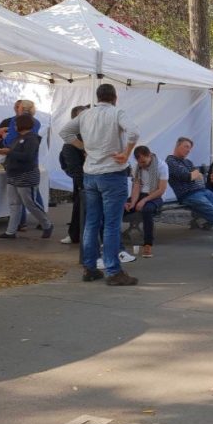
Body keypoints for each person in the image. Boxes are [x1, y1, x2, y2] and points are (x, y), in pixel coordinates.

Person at [59, 84, 139, 286]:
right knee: (111, 224)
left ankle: (90, 267)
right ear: (115, 97)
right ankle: (113, 270)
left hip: (90, 173)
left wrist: (84, 146)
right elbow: (134, 132)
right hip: (112, 173)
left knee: (91, 222)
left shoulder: (86, 114)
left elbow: (65, 133)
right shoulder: (116, 112)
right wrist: (127, 153)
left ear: (98, 96)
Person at [166, 137, 213, 260]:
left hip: (203, 191)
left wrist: (193, 175)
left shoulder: (188, 162)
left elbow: (198, 176)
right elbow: (186, 176)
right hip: (189, 195)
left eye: (189, 148)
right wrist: (192, 175)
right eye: (186, 147)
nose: (188, 150)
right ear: (177, 146)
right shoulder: (170, 161)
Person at [0, 114, 53, 239]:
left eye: (15, 124)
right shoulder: (18, 138)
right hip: (13, 174)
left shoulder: (32, 139)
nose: (14, 127)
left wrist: (9, 152)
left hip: (26, 174)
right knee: (14, 204)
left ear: (22, 124)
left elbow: (27, 156)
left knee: (30, 203)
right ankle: (11, 231)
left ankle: (47, 224)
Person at [125, 145, 168, 258]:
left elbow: (161, 190)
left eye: (144, 162)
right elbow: (136, 187)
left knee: (147, 210)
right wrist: (133, 202)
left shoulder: (162, 166)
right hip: (140, 194)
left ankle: (148, 244)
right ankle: (114, 243)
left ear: (149, 155)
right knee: (121, 207)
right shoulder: (137, 167)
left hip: (155, 196)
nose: (142, 165)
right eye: (139, 162)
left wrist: (144, 200)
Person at [59, 105, 88, 245]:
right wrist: (81, 182)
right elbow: (69, 165)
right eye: (82, 116)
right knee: (79, 207)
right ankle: (74, 234)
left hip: (93, 178)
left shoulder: (91, 135)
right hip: (83, 180)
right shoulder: (71, 142)